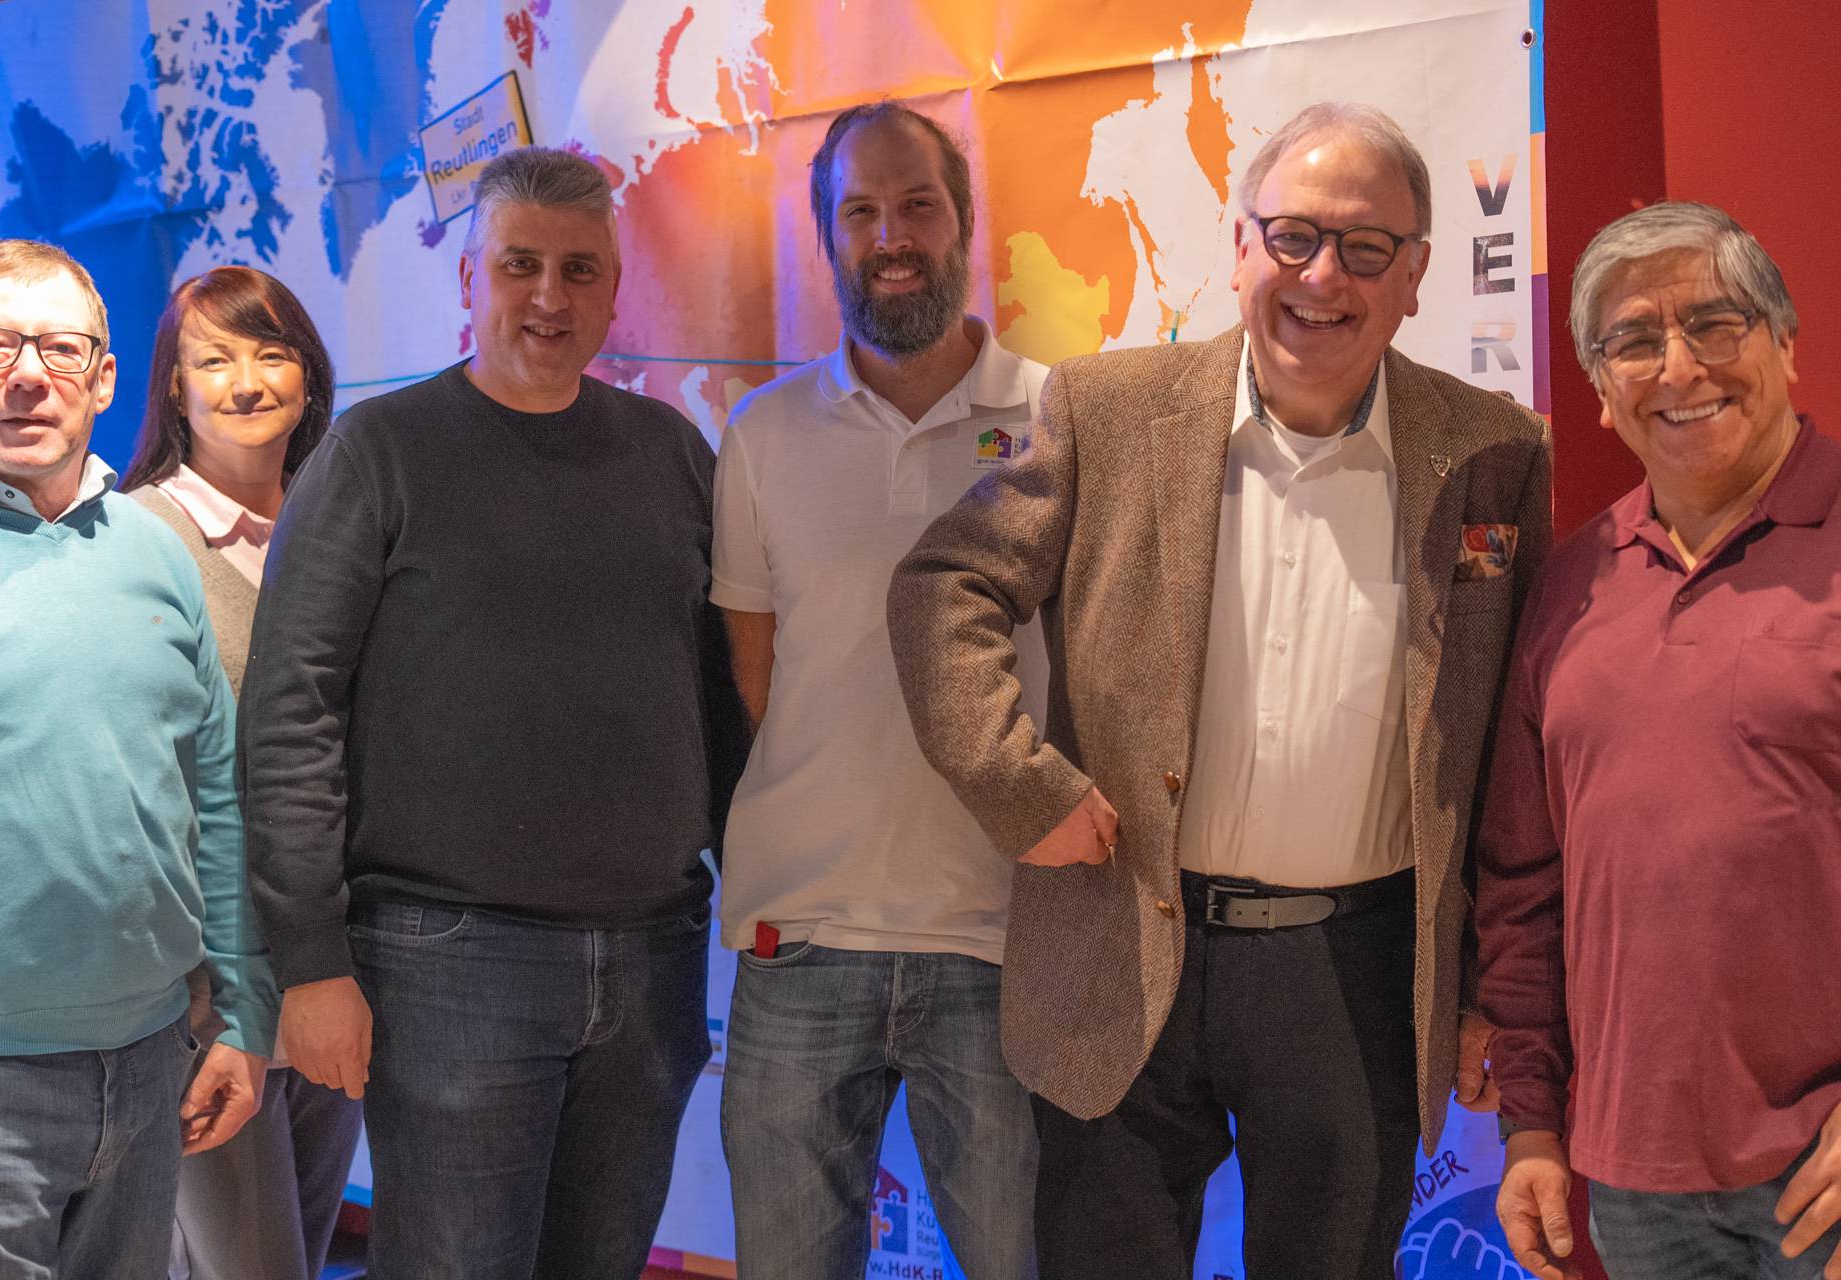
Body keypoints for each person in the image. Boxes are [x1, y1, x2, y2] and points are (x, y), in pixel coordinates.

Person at [887, 101, 1552, 1278]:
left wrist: (1494, 986)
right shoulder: (1105, 410)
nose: (1323, 275)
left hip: (1360, 971)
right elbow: (948, 584)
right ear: (1241, 246)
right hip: (1125, 942)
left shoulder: (1495, 452)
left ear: (1415, 277)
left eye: (1366, 247)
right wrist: (1017, 784)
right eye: (1293, 236)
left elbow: (1516, 748)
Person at [238, 146, 747, 1280]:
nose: (549, 296)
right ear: (470, 278)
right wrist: (311, 962)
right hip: (446, 964)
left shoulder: (672, 452)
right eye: (520, 264)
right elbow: (290, 715)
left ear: (614, 290)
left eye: (579, 269)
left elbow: (724, 700)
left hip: (653, 958)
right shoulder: (377, 452)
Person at [712, 102, 1044, 1280]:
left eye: (916, 205)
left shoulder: (1059, 417)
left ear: (964, 220)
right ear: (827, 236)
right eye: (860, 211)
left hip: (1002, 939)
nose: (891, 235)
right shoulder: (761, 434)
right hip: (799, 937)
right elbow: (755, 672)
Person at [1481, 201, 1841, 1280]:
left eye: (1716, 324)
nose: (1679, 368)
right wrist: (1531, 1122)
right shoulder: (1571, 584)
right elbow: (1524, 882)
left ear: (1785, 342)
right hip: (1636, 1186)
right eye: (1634, 341)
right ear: (1600, 392)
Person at [0, 239, 277, 1276]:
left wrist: (244, 1015)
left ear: (106, 377)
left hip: (153, 1065)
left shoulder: (150, 549)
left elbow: (215, 800)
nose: (29, 374)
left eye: (61, 347)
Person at [119, 265, 362, 1280]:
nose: (248, 381)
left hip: (334, 965)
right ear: (173, 388)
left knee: (296, 1252)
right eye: (213, 360)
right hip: (204, 989)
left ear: (310, 375)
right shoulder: (137, 539)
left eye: (271, 353)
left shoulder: (344, 524)